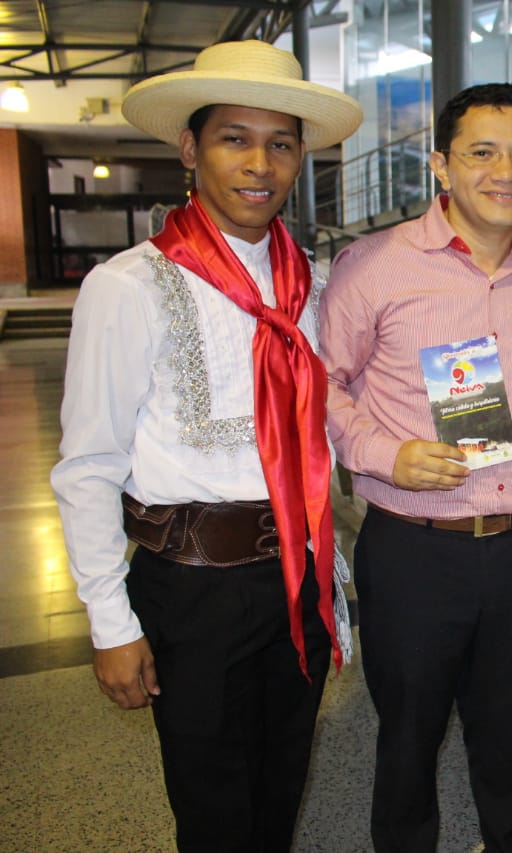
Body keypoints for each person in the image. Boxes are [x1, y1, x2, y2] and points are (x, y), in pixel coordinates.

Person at [49, 40, 363, 851]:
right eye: (234, 138)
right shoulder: (129, 286)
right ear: (191, 148)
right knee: (212, 804)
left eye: (282, 142)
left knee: (281, 780)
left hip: (295, 575)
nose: (260, 163)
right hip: (191, 589)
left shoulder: (316, 286)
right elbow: (87, 468)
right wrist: (110, 622)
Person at [320, 83, 512, 852]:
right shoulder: (375, 266)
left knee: (509, 736)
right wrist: (383, 453)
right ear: (441, 164)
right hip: (413, 549)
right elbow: (320, 386)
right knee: (408, 737)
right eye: (483, 152)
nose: (507, 170)